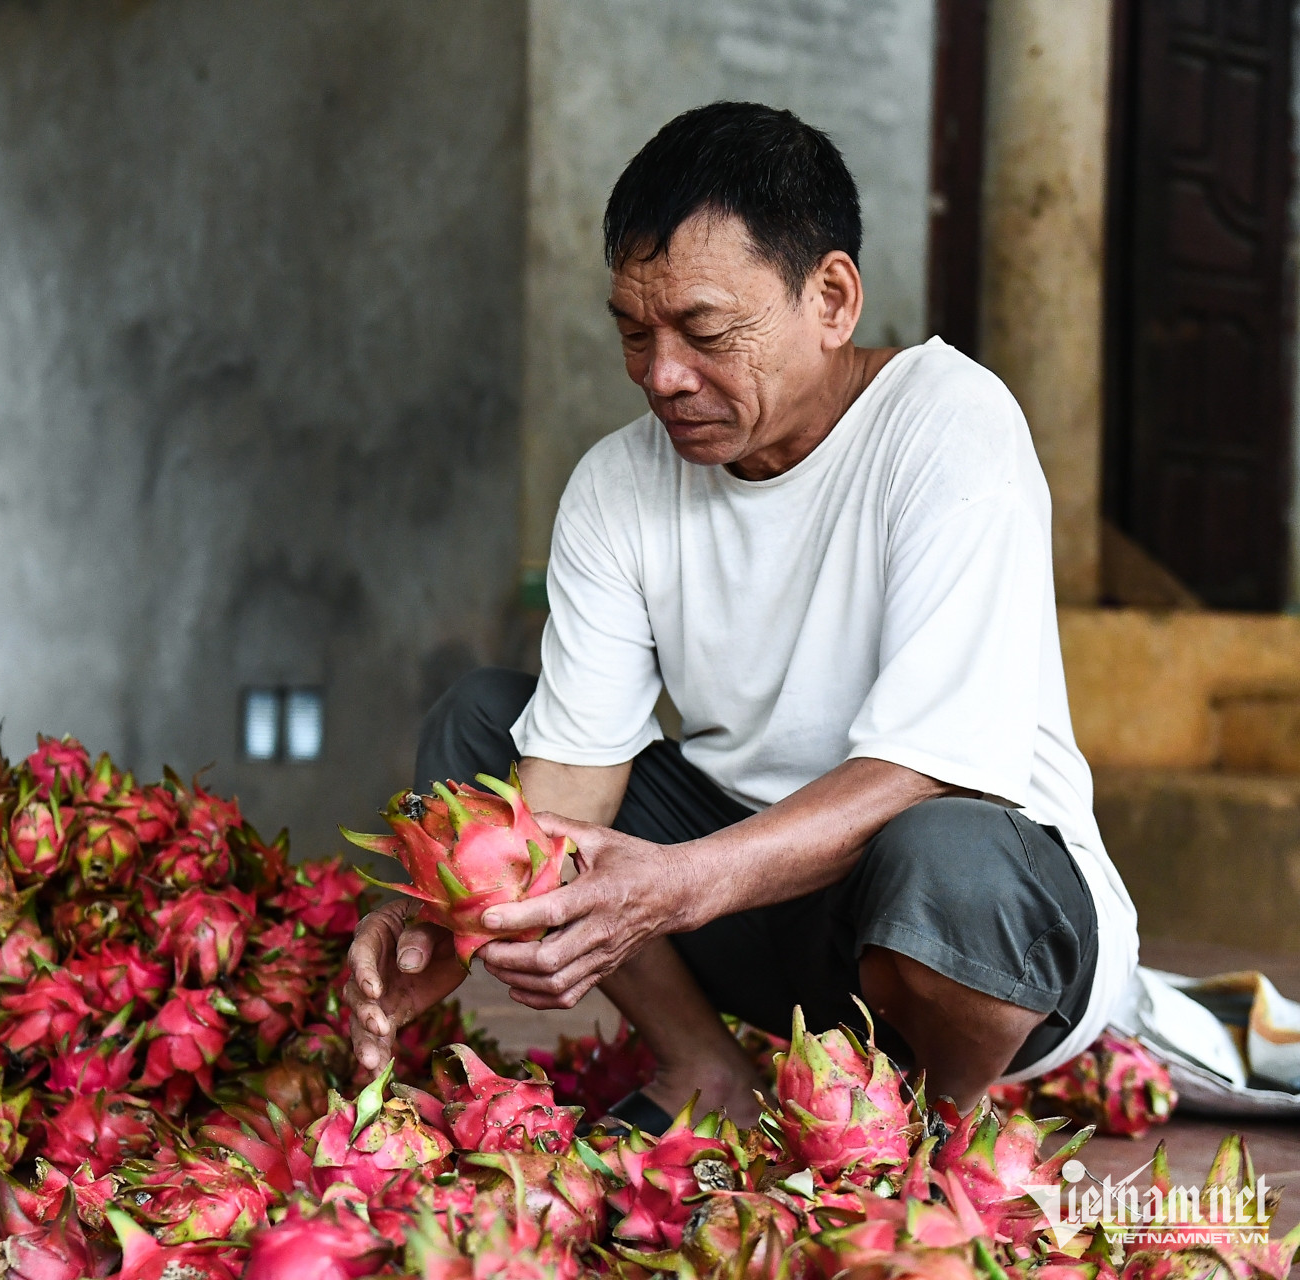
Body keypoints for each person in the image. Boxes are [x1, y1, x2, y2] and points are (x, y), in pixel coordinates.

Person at [342, 102, 1137, 1127]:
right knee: (482, 730)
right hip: (762, 920)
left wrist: (671, 885)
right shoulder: (617, 485)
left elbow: (926, 766)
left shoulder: (950, 426)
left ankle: (945, 1125)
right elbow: (568, 783)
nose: (664, 376)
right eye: (636, 333)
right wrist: (445, 907)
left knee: (947, 853)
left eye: (706, 332)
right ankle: (705, 1071)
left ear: (833, 297)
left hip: (979, 945)